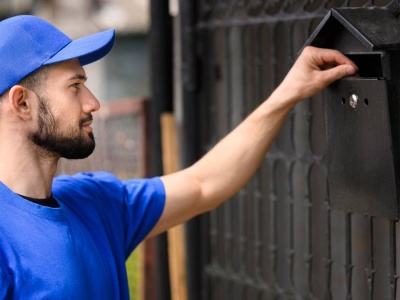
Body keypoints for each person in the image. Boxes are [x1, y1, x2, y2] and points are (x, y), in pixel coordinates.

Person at [0, 15, 357, 299]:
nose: (92, 102)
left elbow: (204, 184)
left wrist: (289, 92)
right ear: (23, 103)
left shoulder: (94, 203)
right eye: (75, 86)